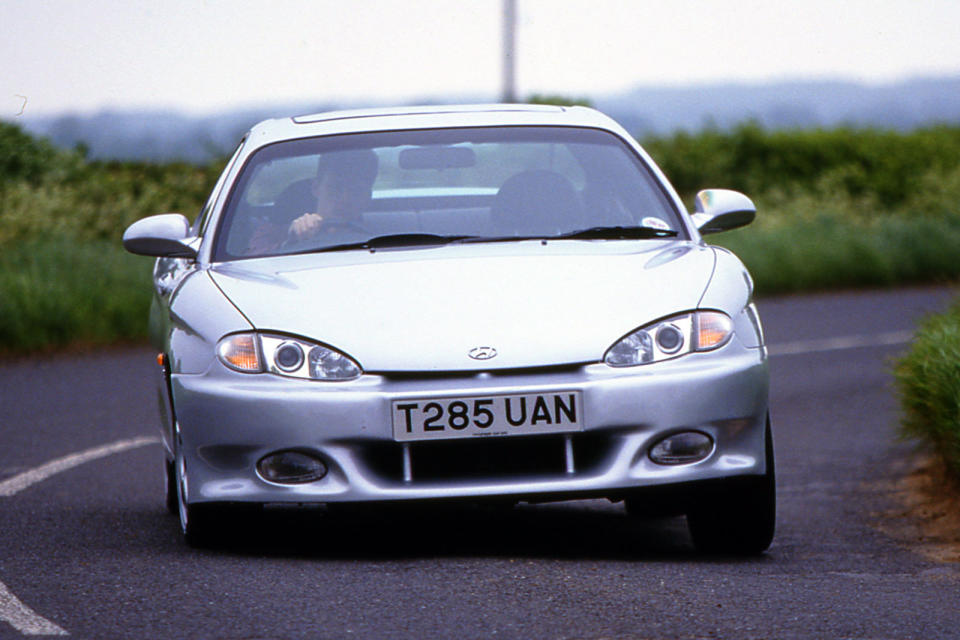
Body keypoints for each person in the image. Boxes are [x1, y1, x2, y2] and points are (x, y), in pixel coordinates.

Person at [246, 148, 378, 254]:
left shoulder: (386, 238)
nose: (345, 199)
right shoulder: (275, 233)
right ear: (316, 188)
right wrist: (291, 240)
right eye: (335, 188)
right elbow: (249, 265)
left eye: (356, 191)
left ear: (368, 197)